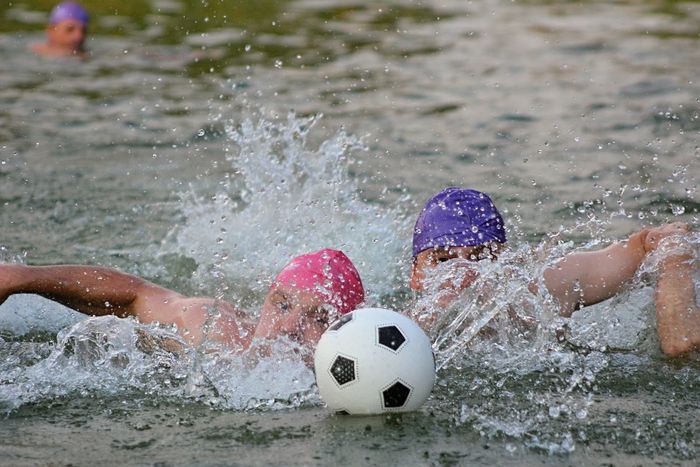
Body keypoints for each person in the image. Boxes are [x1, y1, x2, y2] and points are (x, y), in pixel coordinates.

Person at [409, 187, 699, 358]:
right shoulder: (400, 331)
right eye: (443, 261)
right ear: (417, 276)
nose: (463, 273)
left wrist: (674, 295)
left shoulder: (544, 289)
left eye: (481, 257)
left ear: (504, 262)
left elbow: (665, 237)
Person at [0, 248, 365, 353]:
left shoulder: (367, 364)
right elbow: (137, 294)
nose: (288, 327)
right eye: (281, 305)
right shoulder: (215, 330)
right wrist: (21, 278)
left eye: (319, 318)